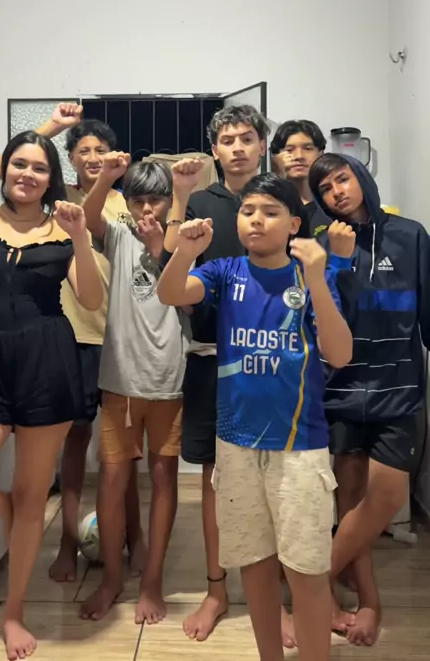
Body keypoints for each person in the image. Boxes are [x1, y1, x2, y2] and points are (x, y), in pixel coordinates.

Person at [157, 173, 353, 661]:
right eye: (247, 211)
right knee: (255, 567)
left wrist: (317, 280)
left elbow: (340, 354)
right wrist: (185, 252)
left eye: (269, 212)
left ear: (294, 225)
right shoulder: (225, 271)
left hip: (300, 447)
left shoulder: (312, 277)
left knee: (307, 573)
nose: (256, 221)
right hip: (236, 445)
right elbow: (170, 293)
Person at [0, 131, 104, 661]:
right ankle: (4, 508)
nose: (28, 174)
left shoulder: (64, 227)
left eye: (40, 168)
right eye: (20, 163)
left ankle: (13, 612)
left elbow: (91, 298)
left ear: (51, 178)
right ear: (5, 167)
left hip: (47, 363)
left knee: (34, 495)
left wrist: (80, 238)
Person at [0, 103, 145, 583]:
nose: (93, 157)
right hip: (72, 336)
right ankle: (68, 542)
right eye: (83, 151)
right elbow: (1, 165)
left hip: (121, 337)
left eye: (101, 149)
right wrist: (54, 126)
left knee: (122, 448)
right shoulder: (57, 197)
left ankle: (136, 537)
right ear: (70, 159)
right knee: (75, 440)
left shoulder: (127, 202)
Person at [161, 104, 278, 642]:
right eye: (227, 140)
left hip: (273, 360)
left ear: (262, 145)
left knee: (274, 478)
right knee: (215, 480)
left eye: (247, 138)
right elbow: (171, 259)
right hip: (211, 356)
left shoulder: (281, 198)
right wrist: (181, 196)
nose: (237, 147)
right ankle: (216, 590)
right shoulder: (203, 203)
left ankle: (276, 596)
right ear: (215, 150)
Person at [309, 152, 430, 646]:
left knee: (387, 497)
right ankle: (369, 601)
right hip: (340, 388)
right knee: (351, 500)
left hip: (398, 389)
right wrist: (336, 259)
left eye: (342, 179)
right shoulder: (321, 245)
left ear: (360, 177)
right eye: (326, 188)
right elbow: (322, 317)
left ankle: (313, 588)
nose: (337, 191)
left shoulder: (410, 235)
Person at [80, 152, 190, 625]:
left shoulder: (185, 239)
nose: (148, 209)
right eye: (139, 200)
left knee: (165, 479)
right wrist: (107, 177)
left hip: (169, 381)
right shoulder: (119, 236)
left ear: (169, 202)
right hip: (120, 381)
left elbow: (189, 292)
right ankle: (111, 580)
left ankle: (153, 583)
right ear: (127, 203)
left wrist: (163, 244)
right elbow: (87, 219)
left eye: (157, 200)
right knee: (112, 479)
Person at [270, 119, 329, 238]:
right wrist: (279, 176)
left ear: (321, 154)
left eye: (307, 148)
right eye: (289, 150)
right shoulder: (265, 203)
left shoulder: (331, 203)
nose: (299, 156)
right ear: (276, 157)